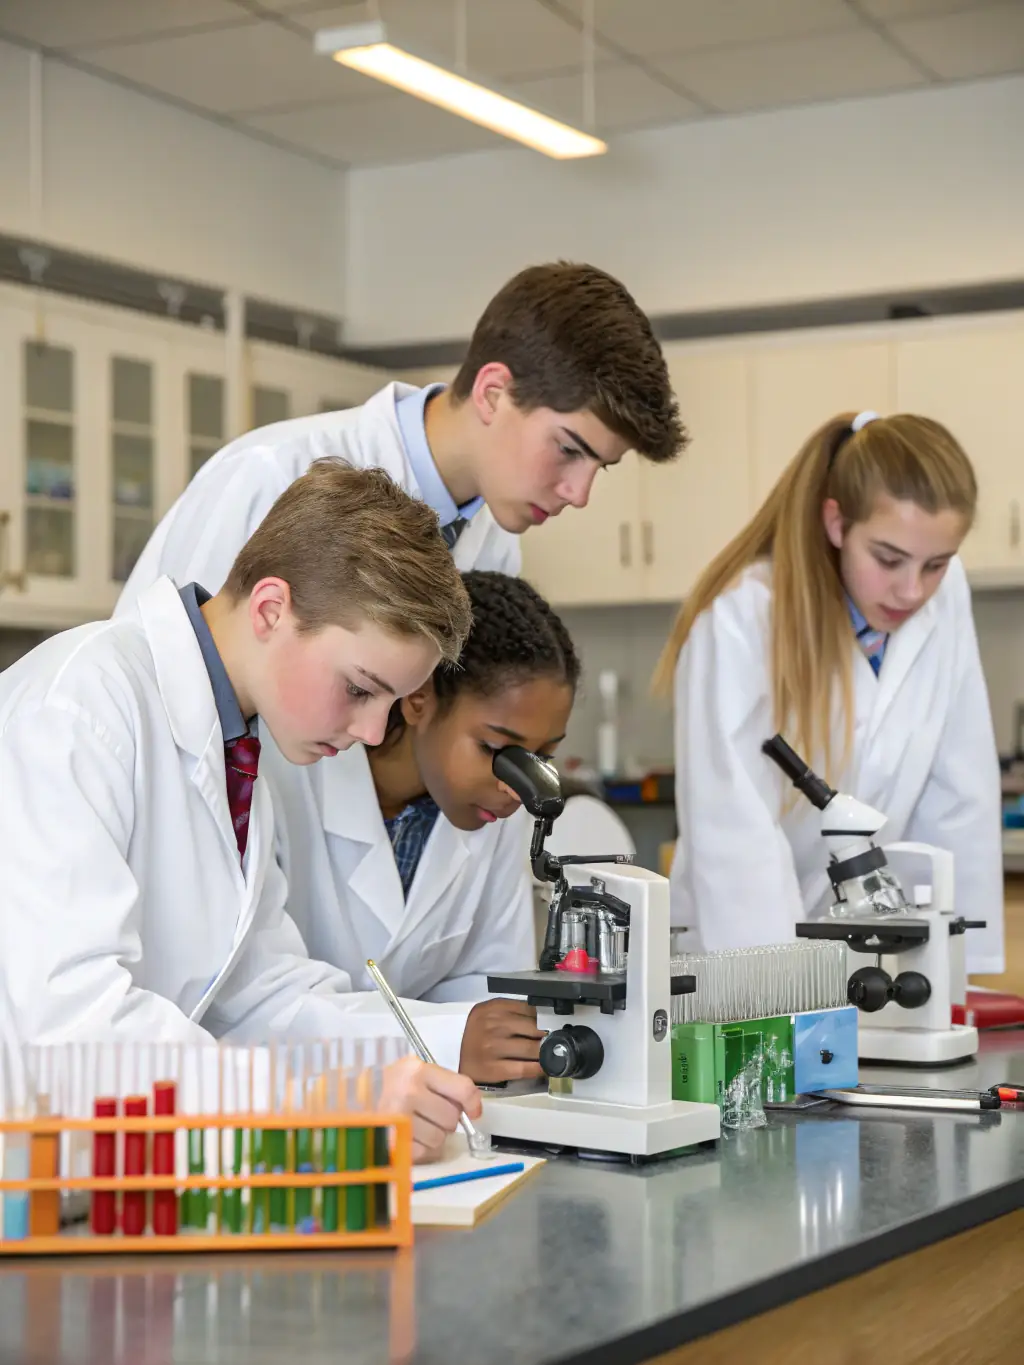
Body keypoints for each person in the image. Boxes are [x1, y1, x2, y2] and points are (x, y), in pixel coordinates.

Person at [0, 461, 489, 1158]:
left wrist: (440, 1050)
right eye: (358, 689)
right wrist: (326, 1105)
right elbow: (72, 1023)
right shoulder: (80, 707)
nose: (375, 735)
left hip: (102, 1177)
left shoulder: (234, 742)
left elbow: (258, 996)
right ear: (270, 610)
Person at [114, 260, 686, 613]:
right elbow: (160, 700)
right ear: (493, 393)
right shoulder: (274, 476)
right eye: (568, 449)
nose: (579, 494)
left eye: (600, 467)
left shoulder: (493, 543)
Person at [654, 411, 1004, 975]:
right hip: (743, 960)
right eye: (888, 559)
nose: (912, 589)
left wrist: (958, 975)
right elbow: (736, 835)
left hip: (870, 954)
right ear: (836, 523)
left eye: (936, 564)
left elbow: (958, 792)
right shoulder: (743, 617)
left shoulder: (946, 595)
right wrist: (787, 997)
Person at [279, 570, 579, 1083]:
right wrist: (446, 1039)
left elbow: (488, 992)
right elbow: (265, 1004)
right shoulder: (292, 776)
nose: (516, 785)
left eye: (541, 757)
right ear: (419, 697)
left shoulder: (493, 808)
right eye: (494, 749)